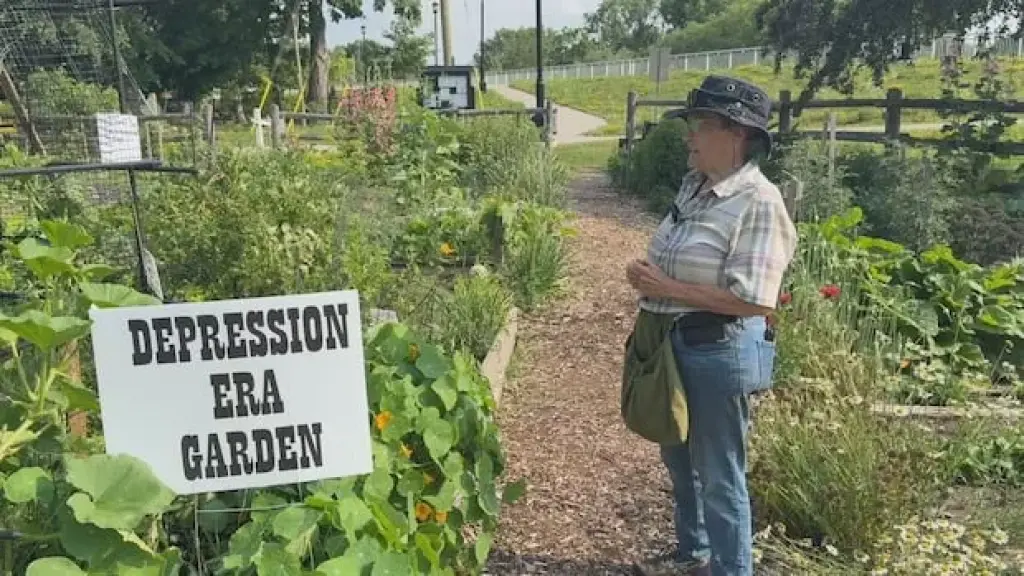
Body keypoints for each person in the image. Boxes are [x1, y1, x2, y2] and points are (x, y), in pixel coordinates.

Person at [625, 75, 798, 576]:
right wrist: (647, 274)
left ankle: (730, 568)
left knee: (721, 475)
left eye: (701, 124)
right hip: (673, 342)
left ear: (736, 134)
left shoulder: (759, 202)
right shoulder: (696, 186)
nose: (690, 135)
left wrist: (666, 288)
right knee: (680, 461)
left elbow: (754, 301)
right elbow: (679, 256)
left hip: (718, 350)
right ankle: (693, 554)